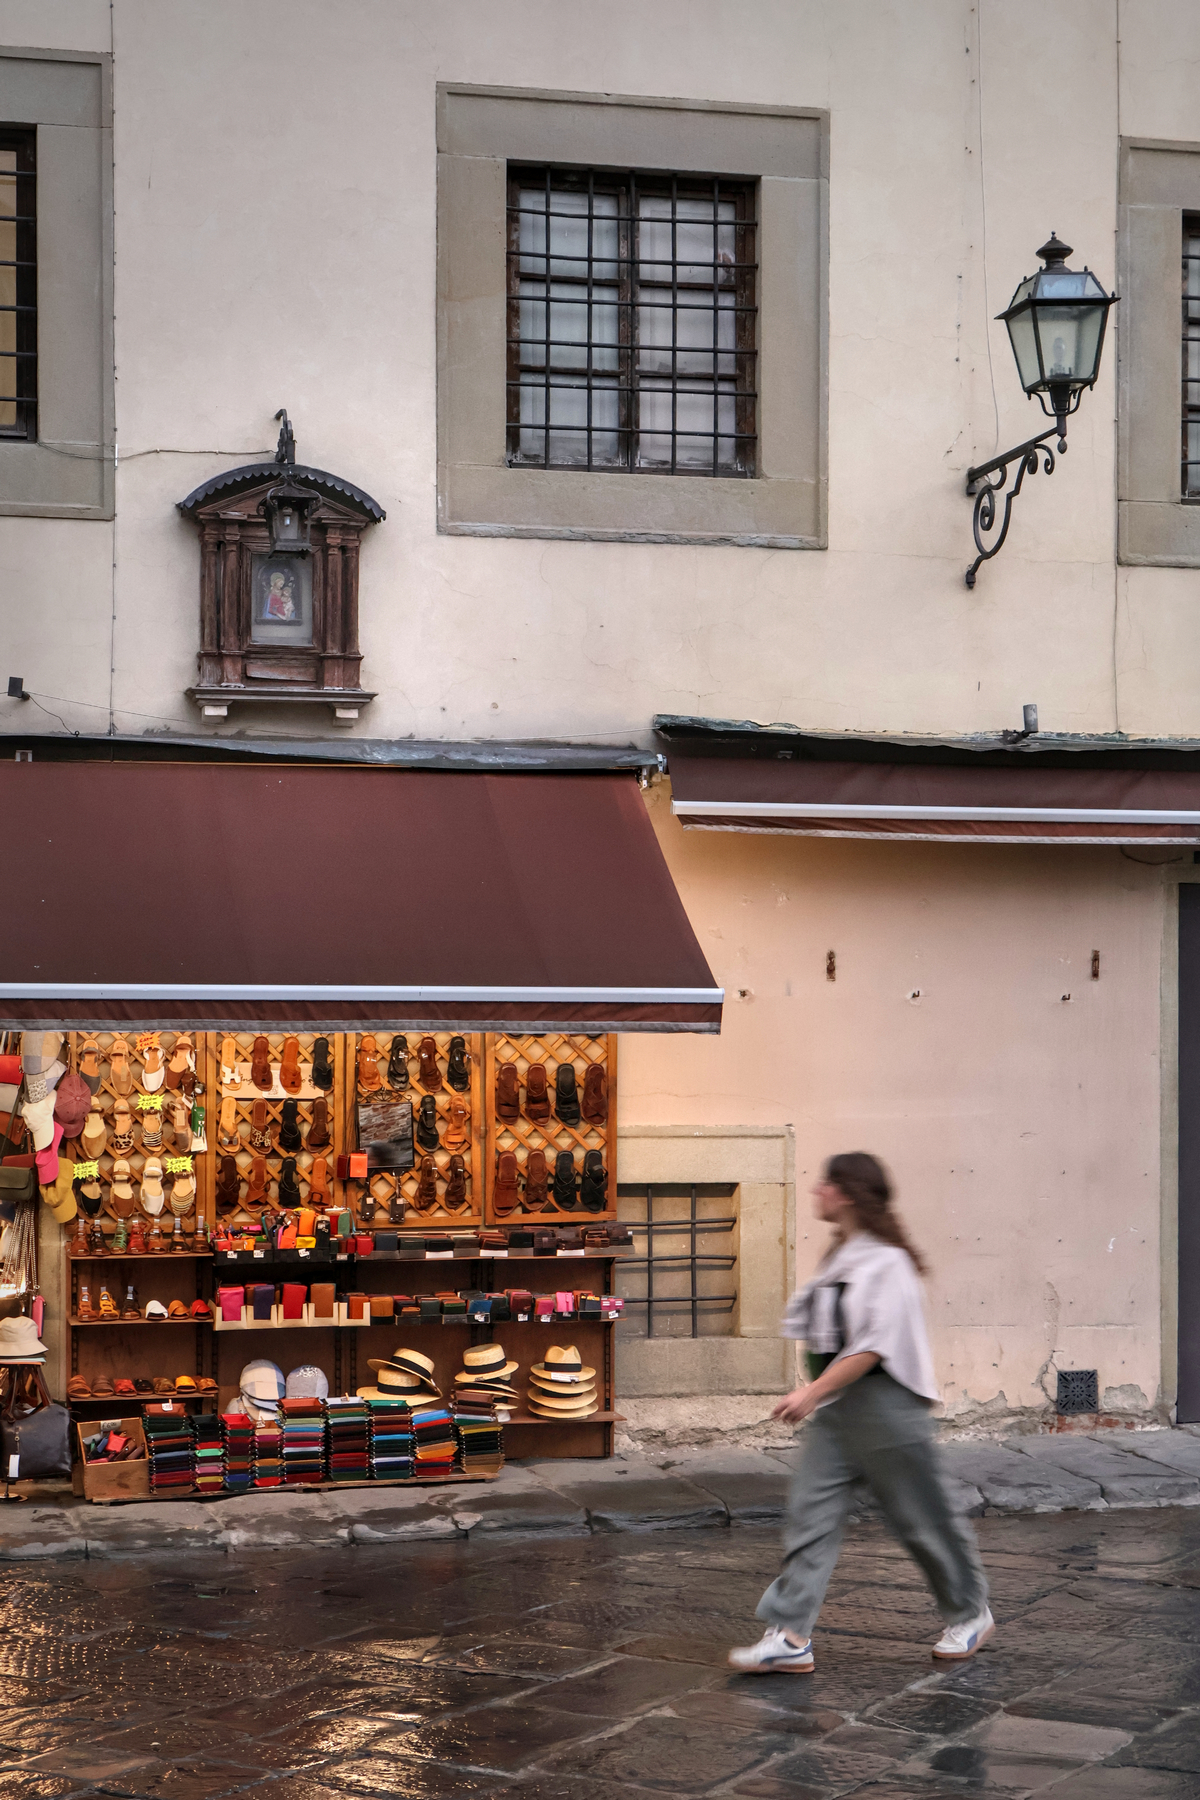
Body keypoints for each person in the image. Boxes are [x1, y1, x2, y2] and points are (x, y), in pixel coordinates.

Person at [729, 1151, 992, 1674]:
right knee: (811, 1512)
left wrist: (810, 1393)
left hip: (889, 1406)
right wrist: (820, 1391)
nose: (815, 1191)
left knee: (921, 1518)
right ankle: (790, 1634)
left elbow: (874, 1344)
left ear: (846, 1192)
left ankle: (970, 1613)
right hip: (844, 1408)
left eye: (825, 1184)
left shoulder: (885, 1261)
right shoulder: (846, 1254)